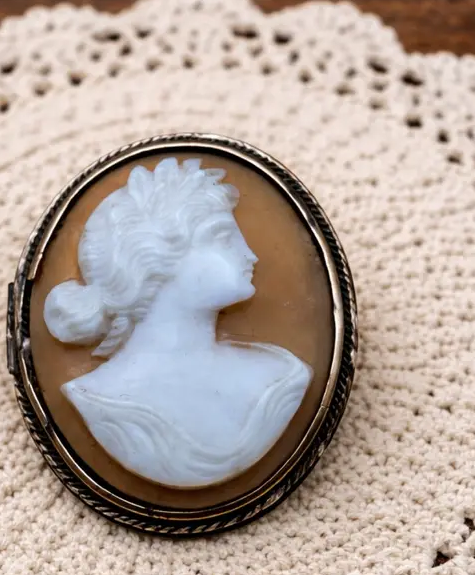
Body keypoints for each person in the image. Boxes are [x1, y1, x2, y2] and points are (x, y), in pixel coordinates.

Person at [44, 157, 312, 489]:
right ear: (151, 258)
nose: (250, 254)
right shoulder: (97, 399)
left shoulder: (281, 376)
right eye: (223, 237)